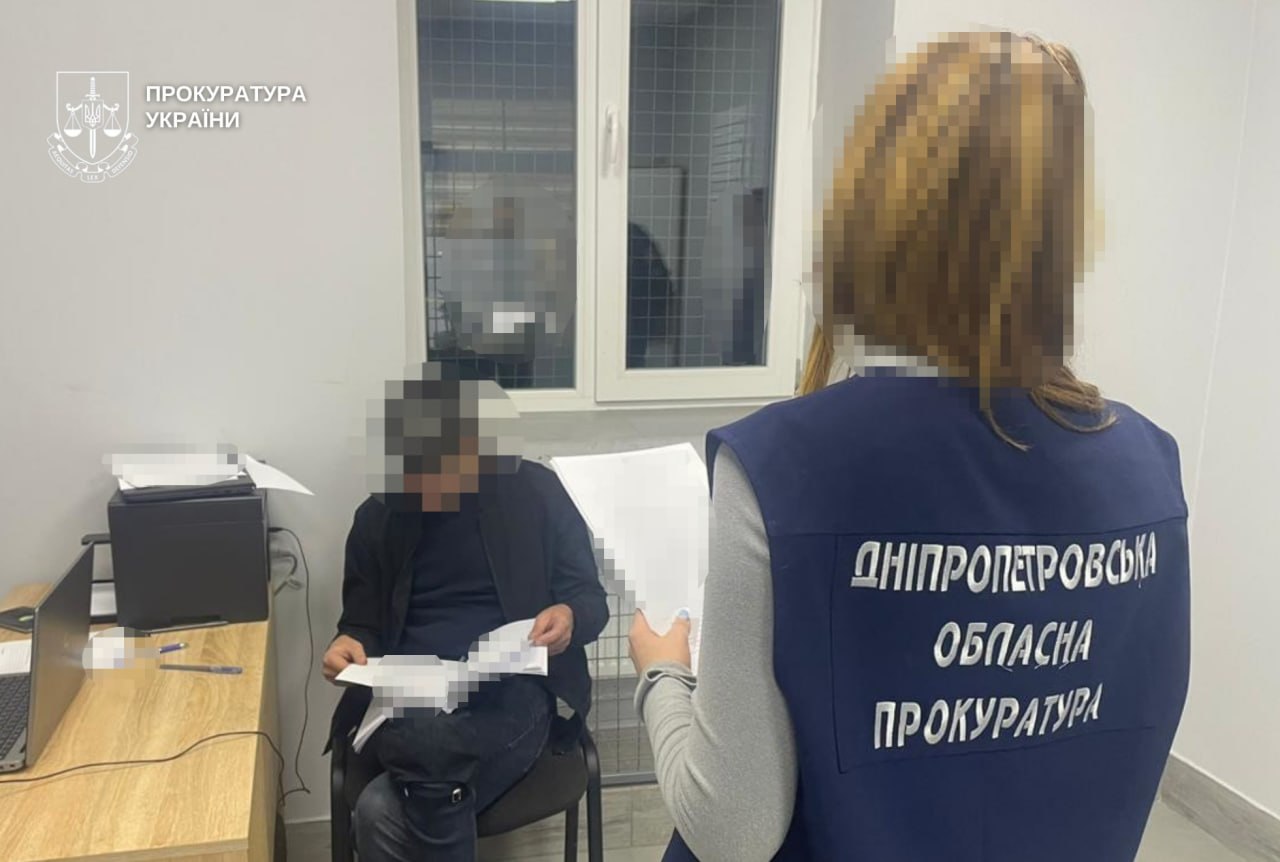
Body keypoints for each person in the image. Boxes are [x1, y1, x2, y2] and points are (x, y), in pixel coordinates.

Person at [629, 31, 1190, 862]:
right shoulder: (1151, 469)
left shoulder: (785, 466)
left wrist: (662, 675)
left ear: (870, 207)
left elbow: (732, 830)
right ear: (1068, 228)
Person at [324, 365, 609, 862]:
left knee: (380, 807)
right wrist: (348, 646)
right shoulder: (379, 517)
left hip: (512, 692)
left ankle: (427, 768)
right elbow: (360, 625)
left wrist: (568, 616)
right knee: (422, 737)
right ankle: (429, 767)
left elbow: (589, 599)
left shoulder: (538, 494)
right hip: (410, 694)